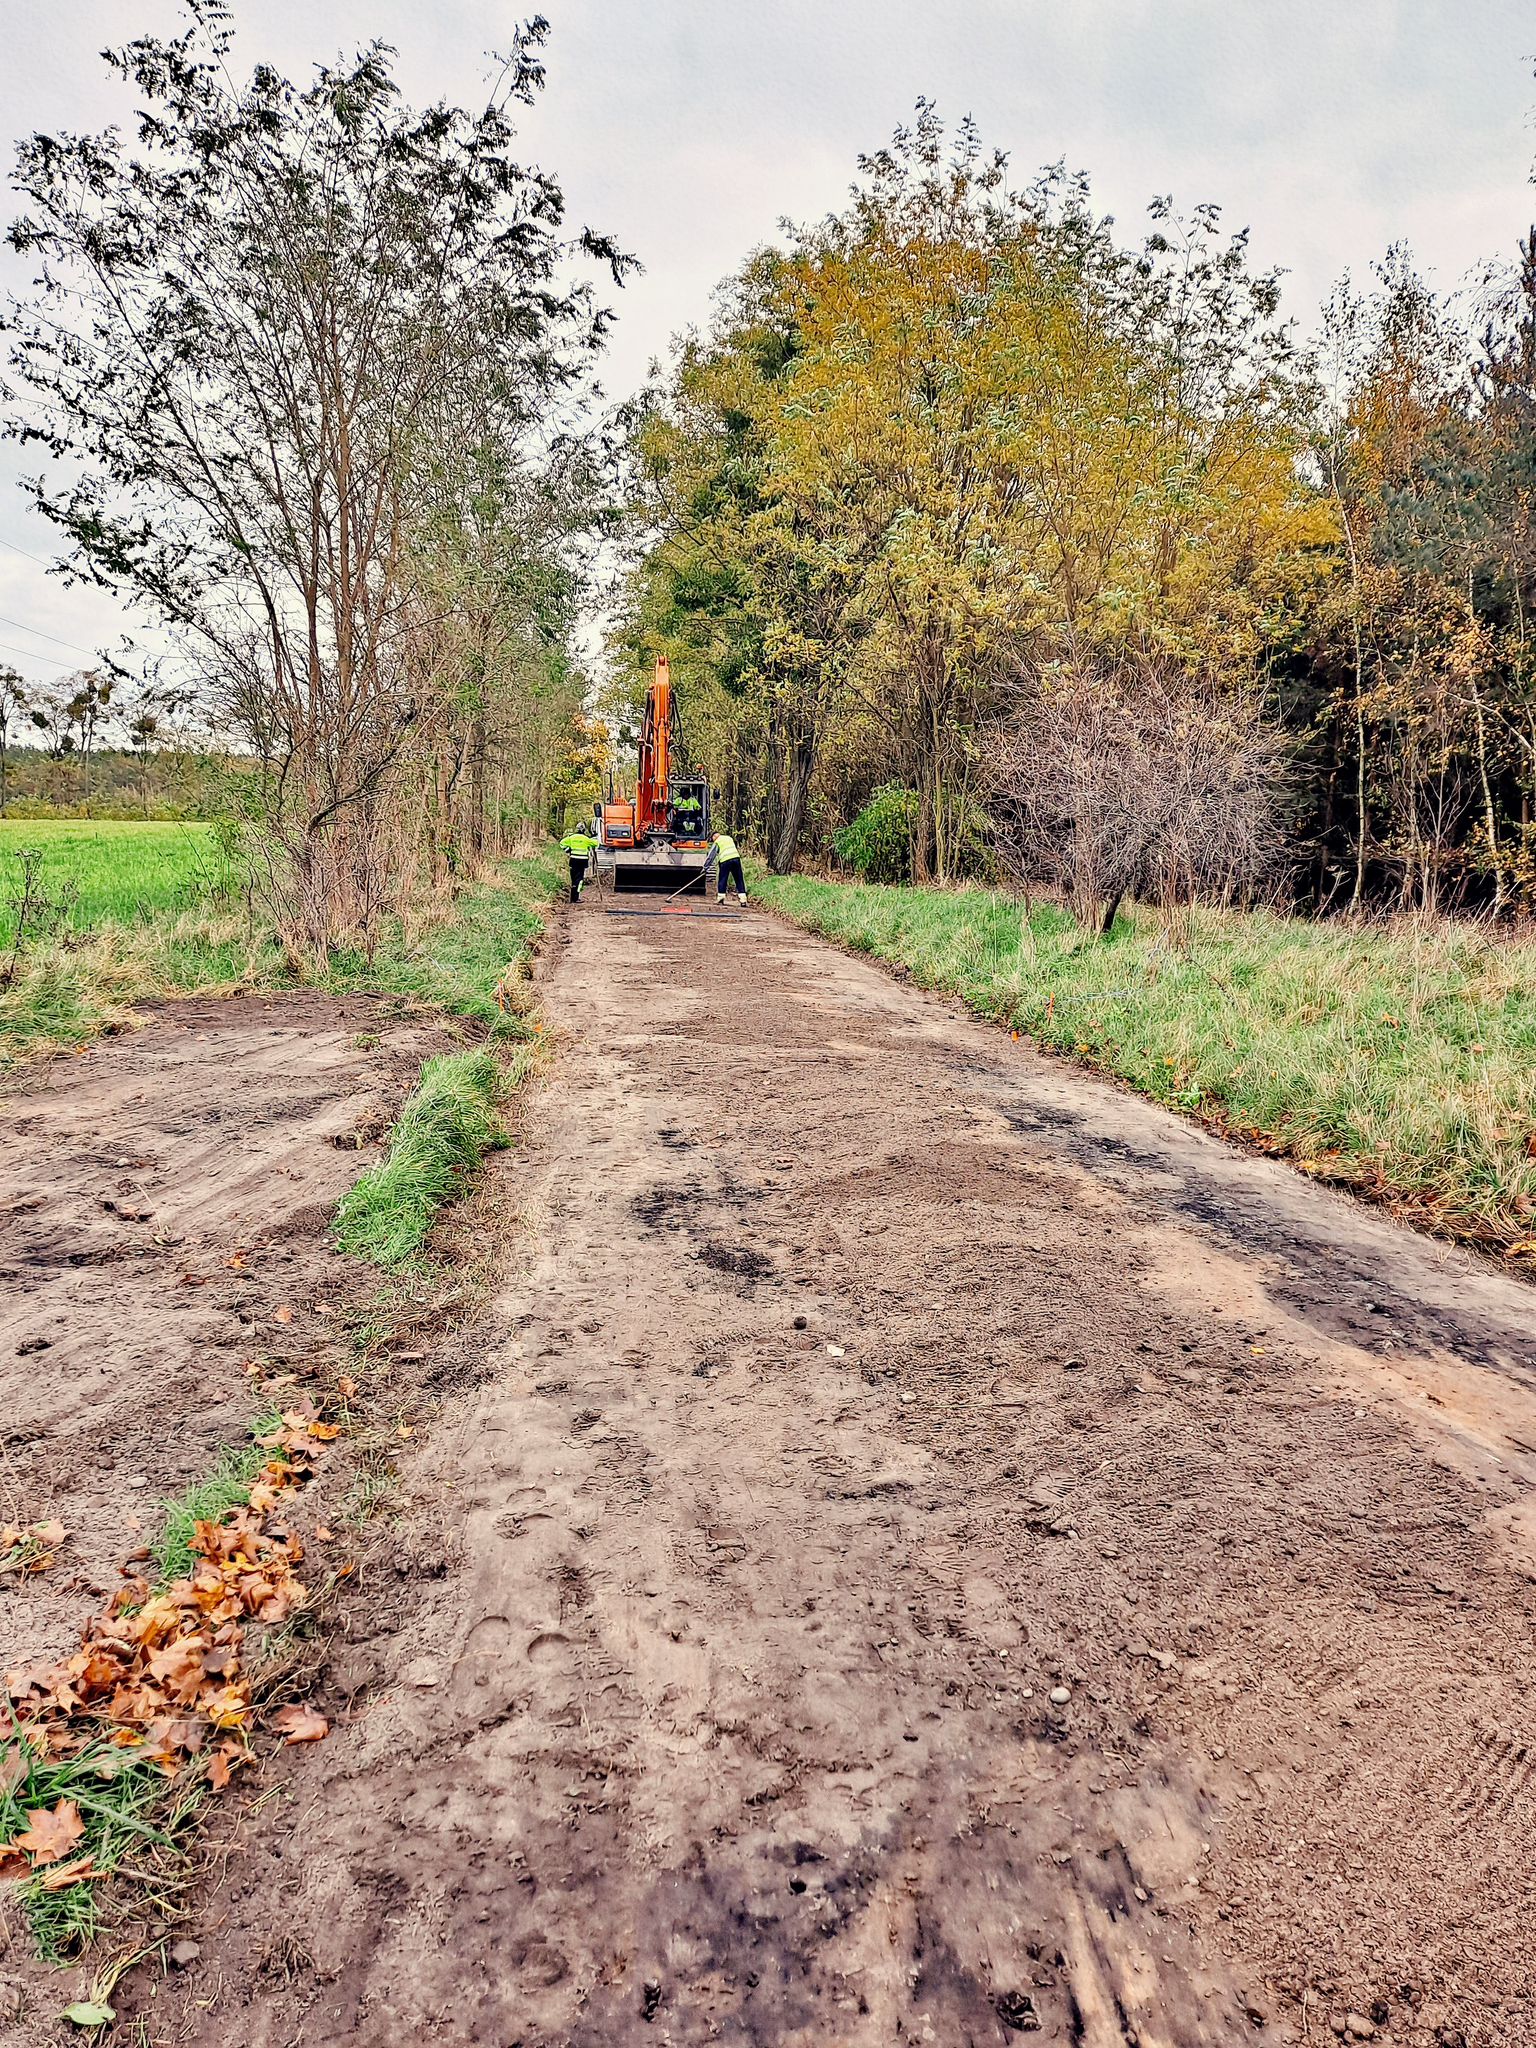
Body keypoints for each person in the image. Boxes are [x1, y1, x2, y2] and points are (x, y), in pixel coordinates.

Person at [558, 822, 598, 902]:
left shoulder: (571, 837)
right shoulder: (586, 839)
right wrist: (593, 838)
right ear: (584, 830)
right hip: (582, 862)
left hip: (573, 861)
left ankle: (573, 896)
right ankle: (576, 898)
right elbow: (596, 844)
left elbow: (561, 843)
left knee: (573, 879)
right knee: (579, 879)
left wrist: (567, 850)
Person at [711, 826, 748, 906]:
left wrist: (705, 867)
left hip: (725, 861)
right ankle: (743, 899)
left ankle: (721, 897)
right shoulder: (729, 838)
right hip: (736, 859)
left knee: (723, 879)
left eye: (712, 839)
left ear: (714, 836)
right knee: (739, 879)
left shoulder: (717, 841)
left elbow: (712, 855)